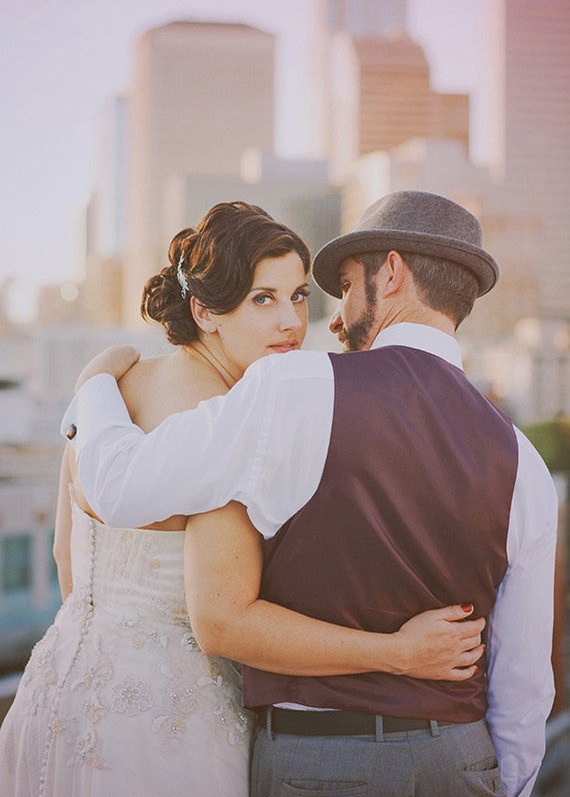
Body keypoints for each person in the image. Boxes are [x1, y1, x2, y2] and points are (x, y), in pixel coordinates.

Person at [60, 191, 558, 797]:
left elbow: (115, 487)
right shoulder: (523, 458)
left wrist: (93, 385)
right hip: (460, 759)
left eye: (345, 286)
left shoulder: (294, 387)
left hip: (319, 765)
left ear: (392, 273)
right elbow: (526, 682)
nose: (334, 317)